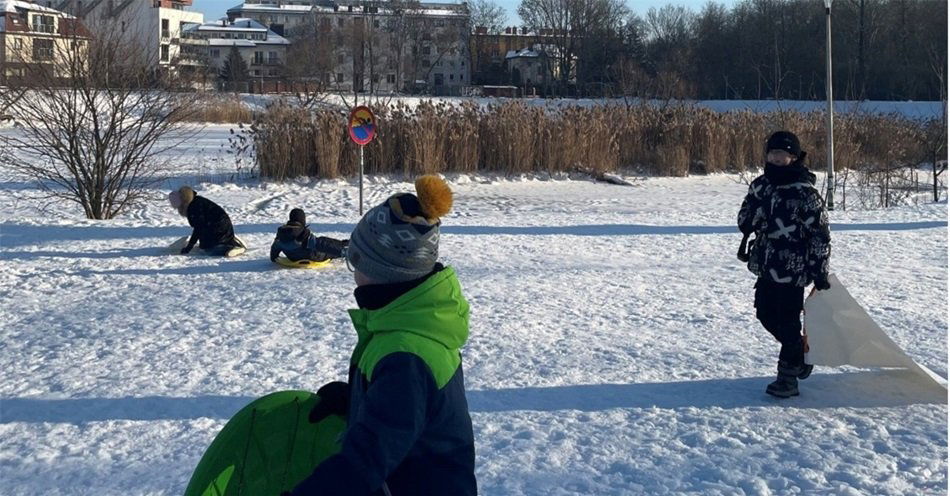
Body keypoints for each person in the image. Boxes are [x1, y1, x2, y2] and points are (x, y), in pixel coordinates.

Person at [290, 175, 477, 496]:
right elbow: (408, 415)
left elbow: (362, 464)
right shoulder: (417, 321)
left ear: (380, 272)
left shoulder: (407, 357)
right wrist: (359, 400)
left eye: (355, 263)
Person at [737, 131, 832, 398]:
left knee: (788, 321)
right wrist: (753, 218)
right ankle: (800, 354)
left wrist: (819, 270)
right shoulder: (761, 186)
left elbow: (820, 235)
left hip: (794, 268)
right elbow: (744, 217)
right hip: (766, 264)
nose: (777, 159)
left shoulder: (806, 193)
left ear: (794, 157)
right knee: (765, 314)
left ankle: (787, 379)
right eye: (773, 154)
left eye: (783, 155)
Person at [168, 186, 244, 256]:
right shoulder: (194, 201)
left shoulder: (195, 207)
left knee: (210, 251)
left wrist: (189, 247)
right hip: (217, 228)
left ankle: (231, 248)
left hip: (219, 228)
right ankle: (229, 241)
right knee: (204, 247)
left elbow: (198, 227)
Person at [269, 208, 348, 263]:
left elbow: (274, 248)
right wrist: (342, 252)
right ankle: (345, 245)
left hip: (293, 258)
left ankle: (344, 244)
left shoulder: (281, 233)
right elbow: (323, 245)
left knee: (321, 241)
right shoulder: (303, 233)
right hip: (313, 257)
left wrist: (274, 258)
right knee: (323, 241)